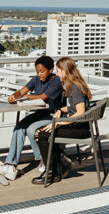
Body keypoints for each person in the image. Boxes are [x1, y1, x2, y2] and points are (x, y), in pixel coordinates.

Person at [0, 55, 62, 180]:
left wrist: (24, 97)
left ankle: (43, 158)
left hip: (52, 115)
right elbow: (22, 91)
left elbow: (42, 97)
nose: (39, 74)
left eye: (42, 71)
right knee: (19, 127)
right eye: (37, 72)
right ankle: (11, 166)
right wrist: (14, 96)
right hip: (40, 114)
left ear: (50, 69)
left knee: (30, 129)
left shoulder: (56, 81)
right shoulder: (35, 79)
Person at [32, 56, 92, 184]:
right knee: (42, 133)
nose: (57, 74)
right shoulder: (73, 84)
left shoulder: (74, 87)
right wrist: (61, 110)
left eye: (58, 71)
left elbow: (80, 112)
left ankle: (51, 172)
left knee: (40, 134)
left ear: (65, 71)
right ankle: (59, 166)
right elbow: (73, 107)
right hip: (77, 126)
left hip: (79, 128)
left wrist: (59, 123)